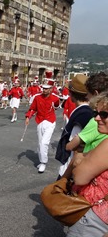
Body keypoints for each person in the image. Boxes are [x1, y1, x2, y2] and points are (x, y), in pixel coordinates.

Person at [63, 92, 108, 237]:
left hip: (96, 219)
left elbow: (80, 177)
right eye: (96, 113)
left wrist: (81, 157)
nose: (96, 118)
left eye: (104, 115)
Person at [55, 74, 93, 178]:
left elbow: (77, 148)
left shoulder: (82, 114)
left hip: (71, 168)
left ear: (71, 93)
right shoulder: (86, 111)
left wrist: (66, 176)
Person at [65, 72, 108, 154]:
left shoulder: (95, 121)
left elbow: (70, 146)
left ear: (96, 93)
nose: (86, 97)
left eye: (87, 93)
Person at [25, 77, 60, 173]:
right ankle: (41, 160)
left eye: (46, 88)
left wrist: (56, 103)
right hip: (40, 121)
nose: (44, 90)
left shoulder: (55, 98)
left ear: (51, 89)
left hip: (50, 121)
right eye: (43, 88)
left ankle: (43, 162)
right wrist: (28, 117)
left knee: (44, 142)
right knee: (40, 143)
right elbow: (33, 109)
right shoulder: (37, 97)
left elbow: (57, 106)